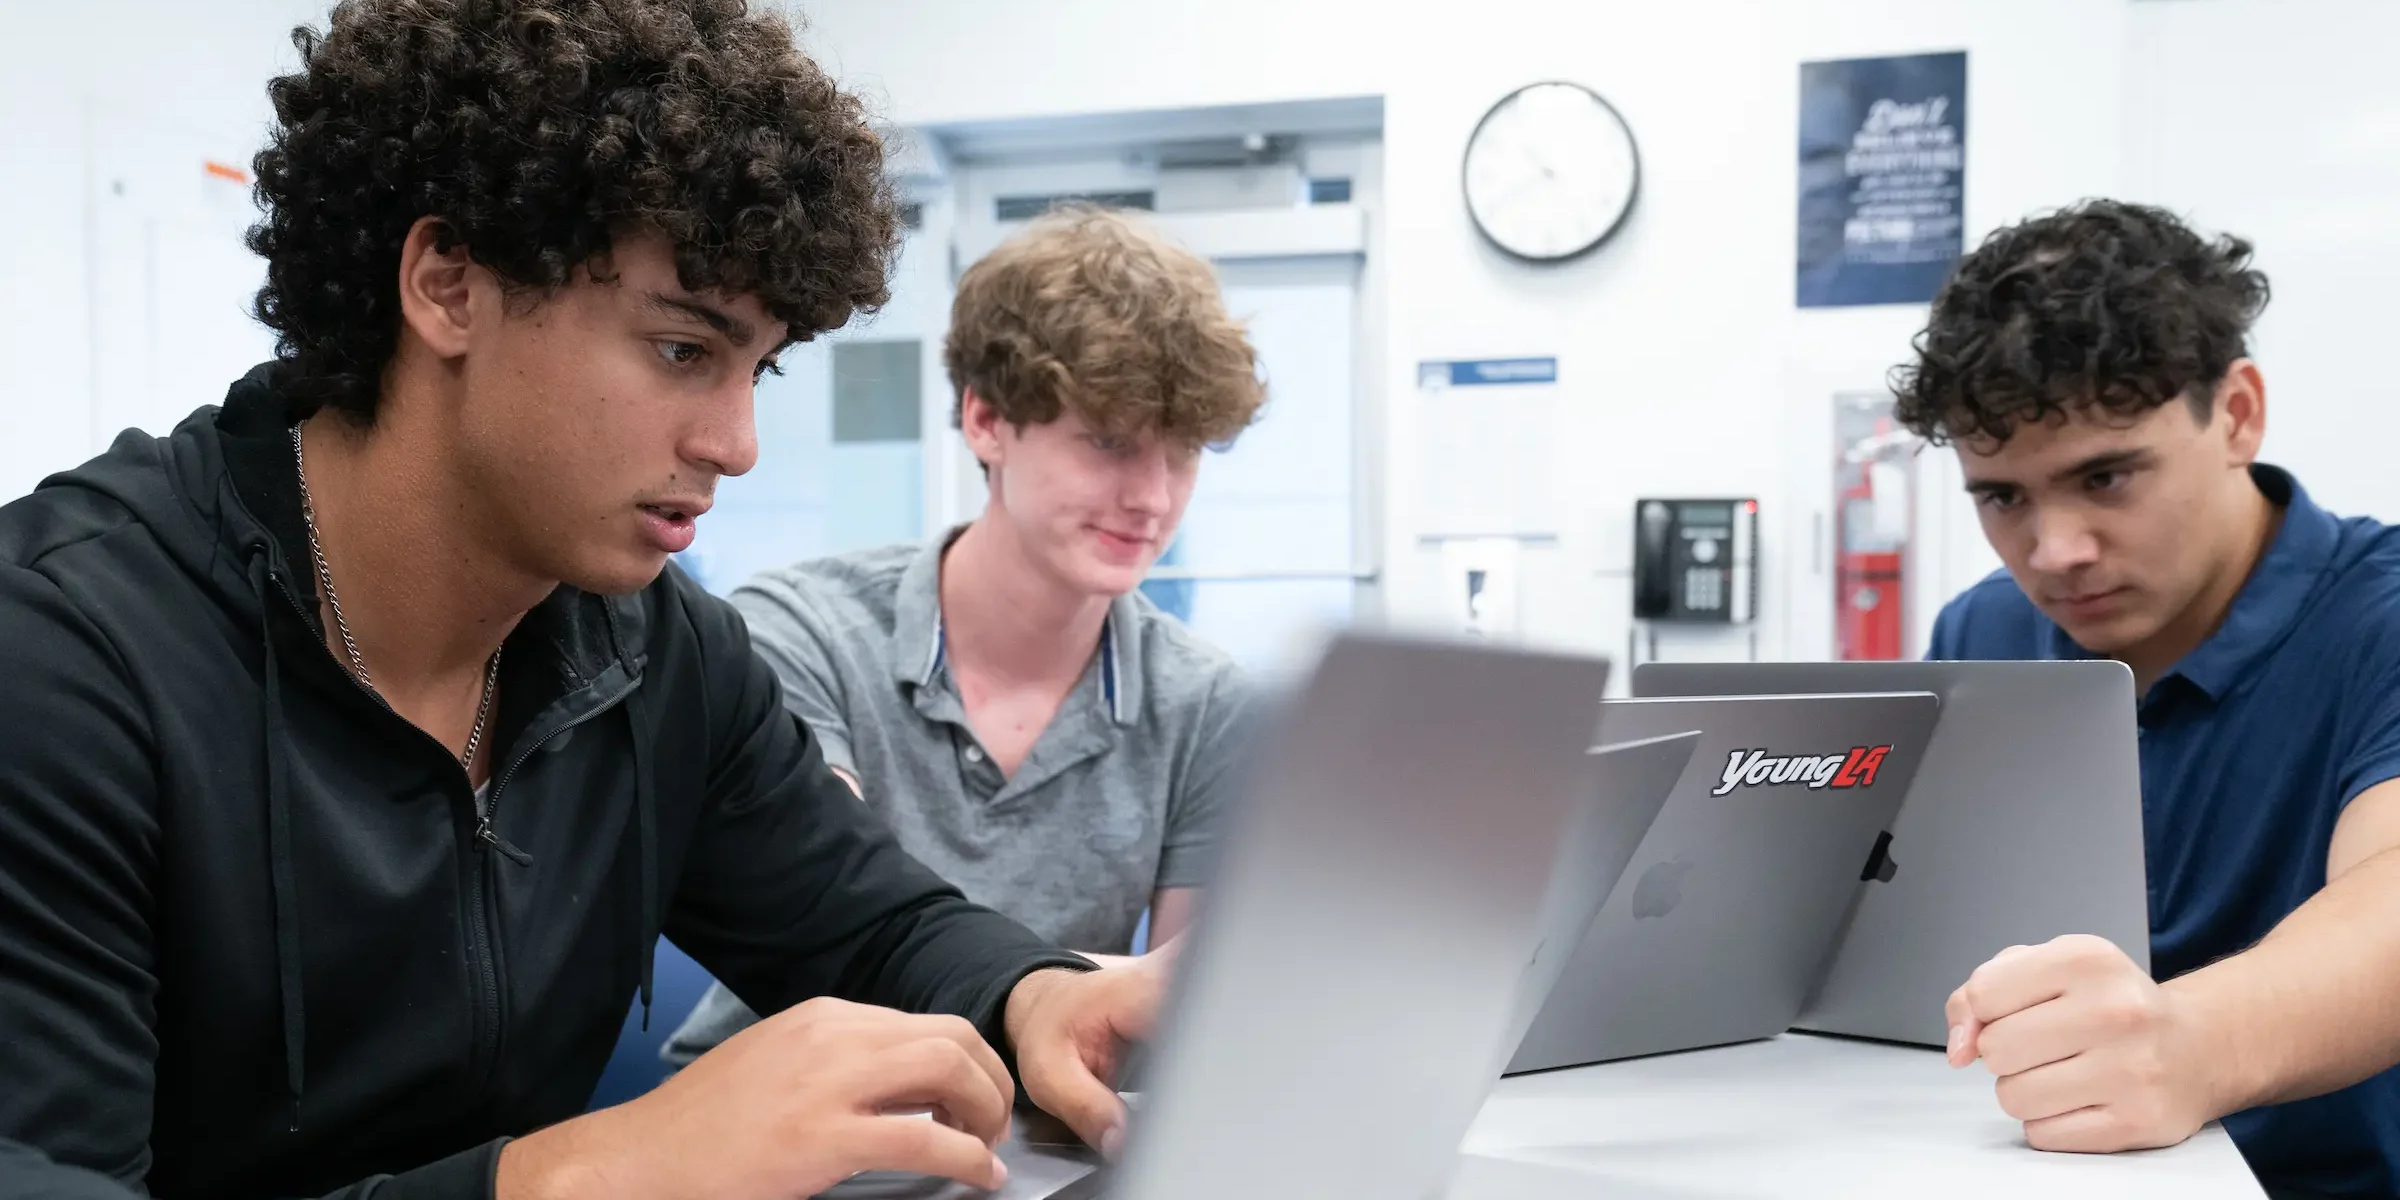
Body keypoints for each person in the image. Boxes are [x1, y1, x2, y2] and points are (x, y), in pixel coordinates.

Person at [0, 3, 1174, 1198]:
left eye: (754, 367)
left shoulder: (660, 653)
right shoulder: (61, 658)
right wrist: (575, 1176)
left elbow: (874, 927)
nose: (736, 443)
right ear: (449, 285)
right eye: (682, 350)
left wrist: (1041, 998)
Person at [663, 206, 1263, 1067]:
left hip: (1032, 1127)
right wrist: (1083, 992)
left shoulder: (1204, 704)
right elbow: (844, 948)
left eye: (1184, 452)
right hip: (794, 1128)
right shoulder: (801, 636)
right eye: (1109, 442)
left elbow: (1184, 1024)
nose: (1154, 497)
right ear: (986, 421)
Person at [1899, 199, 2400, 1197]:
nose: (2055, 551)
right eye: (2003, 496)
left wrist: (2188, 1045)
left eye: (2109, 476)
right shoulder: (1980, 636)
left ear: (2238, 415)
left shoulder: (2379, 620)